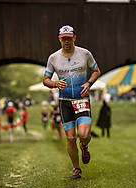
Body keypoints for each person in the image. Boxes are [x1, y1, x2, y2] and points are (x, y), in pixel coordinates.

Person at [43, 25, 101, 179]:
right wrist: (55, 84)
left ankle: (84, 145)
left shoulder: (85, 54)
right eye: (63, 38)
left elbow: (96, 71)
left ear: (74, 37)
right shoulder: (53, 58)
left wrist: (89, 83)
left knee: (83, 134)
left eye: (69, 38)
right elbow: (45, 80)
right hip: (65, 101)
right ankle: (76, 168)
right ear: (59, 39)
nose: (66, 41)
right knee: (70, 138)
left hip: (81, 99)